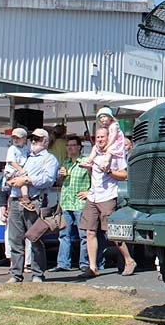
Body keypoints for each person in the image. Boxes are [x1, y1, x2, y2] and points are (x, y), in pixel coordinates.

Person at [78, 126, 136, 279]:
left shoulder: (115, 154)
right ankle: (92, 266)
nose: (100, 140)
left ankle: (129, 260)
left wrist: (109, 171)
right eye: (97, 137)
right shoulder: (94, 153)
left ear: (108, 138)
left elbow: (124, 175)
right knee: (89, 231)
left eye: (103, 137)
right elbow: (91, 173)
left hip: (107, 196)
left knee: (110, 231)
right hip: (93, 196)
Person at [3, 128, 58, 283]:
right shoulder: (24, 154)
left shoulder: (49, 159)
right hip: (15, 200)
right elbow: (10, 169)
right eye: (32, 138)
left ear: (46, 142)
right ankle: (16, 274)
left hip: (34, 202)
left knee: (35, 238)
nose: (33, 141)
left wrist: (27, 180)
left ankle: (37, 274)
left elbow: (48, 179)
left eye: (38, 139)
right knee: (15, 239)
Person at [50, 135, 91, 272]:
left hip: (80, 203)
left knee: (84, 235)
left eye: (73, 145)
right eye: (68, 146)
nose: (70, 148)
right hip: (66, 202)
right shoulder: (65, 162)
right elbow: (60, 183)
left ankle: (84, 263)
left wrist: (89, 192)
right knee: (63, 235)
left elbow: (96, 179)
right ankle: (63, 263)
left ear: (79, 147)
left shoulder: (86, 161)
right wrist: (60, 176)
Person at [81, 107, 126, 172]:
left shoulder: (114, 125)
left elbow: (113, 137)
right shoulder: (105, 127)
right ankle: (89, 160)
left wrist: (107, 146)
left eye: (104, 116)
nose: (102, 119)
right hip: (109, 141)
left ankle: (105, 162)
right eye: (101, 117)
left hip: (115, 142)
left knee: (110, 150)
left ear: (110, 117)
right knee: (95, 147)